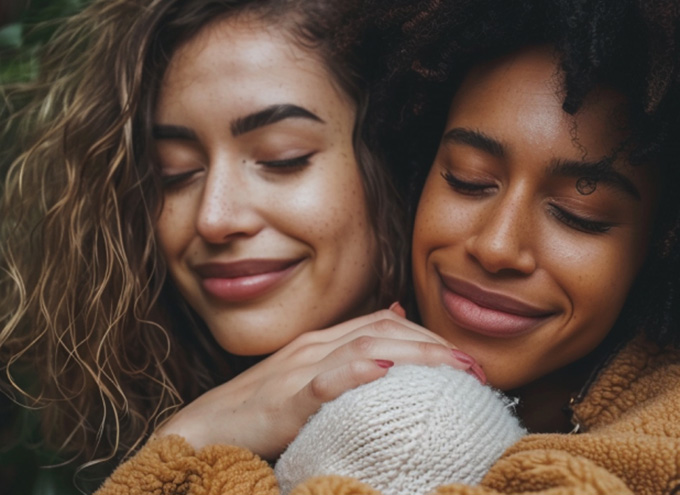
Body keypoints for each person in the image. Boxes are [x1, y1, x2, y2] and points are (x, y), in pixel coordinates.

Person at [0, 0, 480, 492]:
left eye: (281, 158)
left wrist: (182, 443)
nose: (214, 218)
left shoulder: (414, 431)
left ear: (396, 161)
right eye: (175, 172)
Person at [280, 0, 680, 494]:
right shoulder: (303, 344)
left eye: (580, 213)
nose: (496, 247)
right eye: (468, 180)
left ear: (660, 246)